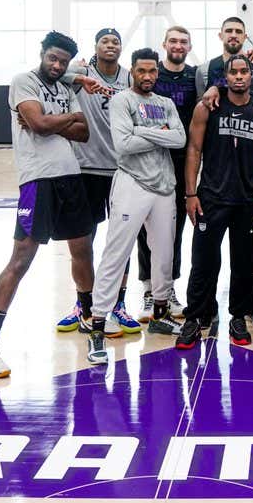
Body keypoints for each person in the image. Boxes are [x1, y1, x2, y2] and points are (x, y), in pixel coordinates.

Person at [0, 31, 95, 378]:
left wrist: (47, 121)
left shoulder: (64, 89)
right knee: (21, 259)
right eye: (52, 58)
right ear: (42, 53)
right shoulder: (22, 82)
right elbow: (40, 126)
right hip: (37, 181)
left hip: (70, 176)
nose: (57, 65)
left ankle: (86, 314)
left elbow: (82, 132)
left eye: (63, 61)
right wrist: (56, 121)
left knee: (82, 250)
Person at [86, 49, 187, 364]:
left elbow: (181, 139)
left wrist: (141, 131)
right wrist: (160, 135)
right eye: (142, 71)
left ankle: (159, 312)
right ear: (132, 71)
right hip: (132, 183)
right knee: (116, 252)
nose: (147, 76)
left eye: (152, 71)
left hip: (164, 186)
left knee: (164, 254)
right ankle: (98, 325)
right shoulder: (121, 101)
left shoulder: (165, 103)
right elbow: (123, 145)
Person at [177, 56, 253, 350]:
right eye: (235, 72)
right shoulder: (208, 106)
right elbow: (193, 149)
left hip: (248, 199)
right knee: (203, 260)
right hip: (211, 198)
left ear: (252, 77)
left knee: (244, 262)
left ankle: (238, 316)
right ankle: (194, 317)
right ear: (225, 78)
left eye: (245, 72)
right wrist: (190, 194)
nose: (240, 77)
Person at [56, 28, 140, 337]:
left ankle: (117, 304)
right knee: (82, 242)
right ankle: (85, 304)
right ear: (96, 47)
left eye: (115, 41)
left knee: (121, 242)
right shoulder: (80, 70)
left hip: (121, 171)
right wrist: (79, 77)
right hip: (86, 169)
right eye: (105, 40)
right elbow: (52, 74)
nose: (110, 45)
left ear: (121, 48)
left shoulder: (129, 77)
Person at [136, 24, 197, 321]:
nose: (177, 45)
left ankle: (169, 288)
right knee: (145, 229)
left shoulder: (195, 76)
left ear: (189, 46)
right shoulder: (150, 72)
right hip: (150, 160)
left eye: (183, 41)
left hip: (182, 161)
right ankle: (148, 290)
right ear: (164, 43)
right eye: (173, 40)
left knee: (174, 230)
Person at [195, 15, 253, 96]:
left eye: (238, 32)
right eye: (229, 31)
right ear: (220, 36)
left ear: (245, 37)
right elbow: (201, 103)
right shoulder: (204, 69)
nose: (233, 35)